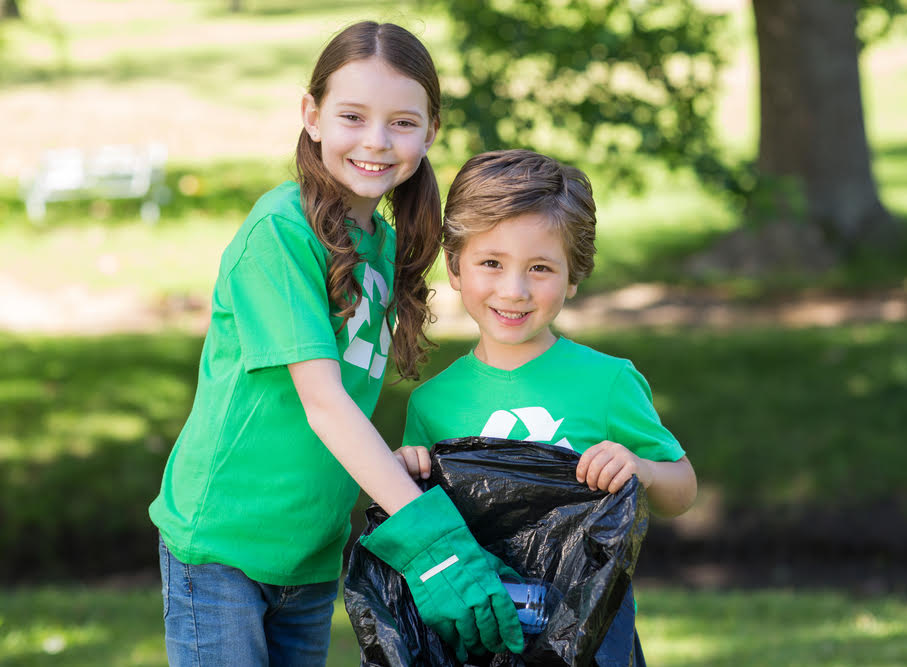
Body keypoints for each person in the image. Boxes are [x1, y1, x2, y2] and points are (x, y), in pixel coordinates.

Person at [148, 22, 523, 666]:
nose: (376, 141)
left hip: (312, 551)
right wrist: (435, 544)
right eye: (353, 116)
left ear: (431, 132)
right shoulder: (280, 231)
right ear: (311, 116)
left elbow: (350, 404)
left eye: (402, 122)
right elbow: (323, 401)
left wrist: (395, 465)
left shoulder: (380, 242)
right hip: (224, 545)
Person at [394, 149, 698, 658]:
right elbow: (419, 526)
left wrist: (640, 468)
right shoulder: (432, 402)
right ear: (454, 266)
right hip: (476, 635)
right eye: (491, 263)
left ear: (573, 277)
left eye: (540, 268)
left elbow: (681, 490)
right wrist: (404, 470)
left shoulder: (608, 382)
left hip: (588, 637)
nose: (513, 290)